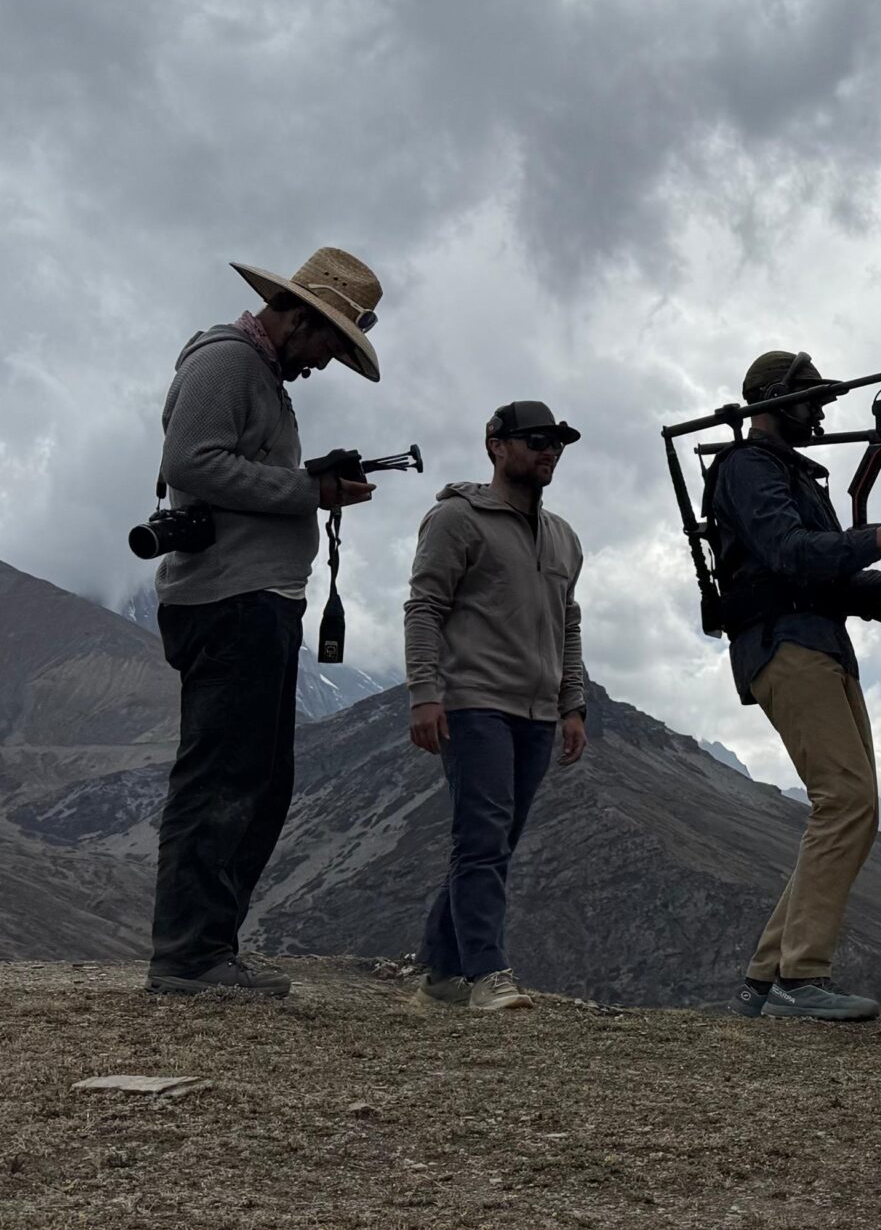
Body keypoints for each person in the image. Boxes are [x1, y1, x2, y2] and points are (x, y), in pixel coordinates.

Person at [145, 247, 385, 997]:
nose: (326, 361)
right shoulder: (228, 362)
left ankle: (208, 948)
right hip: (231, 602)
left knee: (258, 781)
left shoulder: (263, 376)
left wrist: (309, 483)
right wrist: (307, 490)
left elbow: (230, 470)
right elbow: (191, 463)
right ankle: (189, 956)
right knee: (223, 778)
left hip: (256, 601)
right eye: (329, 343)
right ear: (300, 318)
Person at [710, 350, 881, 1020]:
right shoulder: (748, 467)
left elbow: (835, 582)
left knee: (854, 809)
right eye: (810, 398)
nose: (819, 411)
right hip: (784, 645)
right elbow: (790, 553)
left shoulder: (794, 475)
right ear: (774, 400)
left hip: (818, 645)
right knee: (845, 801)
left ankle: (765, 982)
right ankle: (801, 977)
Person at [403, 401, 590, 1012]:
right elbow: (425, 607)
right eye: (535, 440)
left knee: (494, 843)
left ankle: (439, 972)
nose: (549, 451)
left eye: (557, 442)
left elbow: (567, 622)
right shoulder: (456, 519)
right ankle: (488, 973)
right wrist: (425, 693)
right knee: (482, 839)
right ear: (496, 446)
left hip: (537, 714)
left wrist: (573, 703)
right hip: (473, 703)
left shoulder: (564, 537)